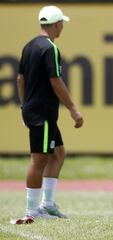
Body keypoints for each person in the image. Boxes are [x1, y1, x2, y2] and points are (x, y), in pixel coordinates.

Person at [13, 6, 83, 224]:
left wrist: (24, 106)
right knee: (39, 160)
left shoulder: (29, 46)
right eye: (61, 22)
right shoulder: (50, 48)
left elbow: (20, 80)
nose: (62, 26)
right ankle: (31, 210)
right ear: (55, 24)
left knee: (58, 153)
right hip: (43, 112)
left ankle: (48, 204)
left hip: (37, 110)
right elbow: (56, 81)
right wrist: (73, 108)